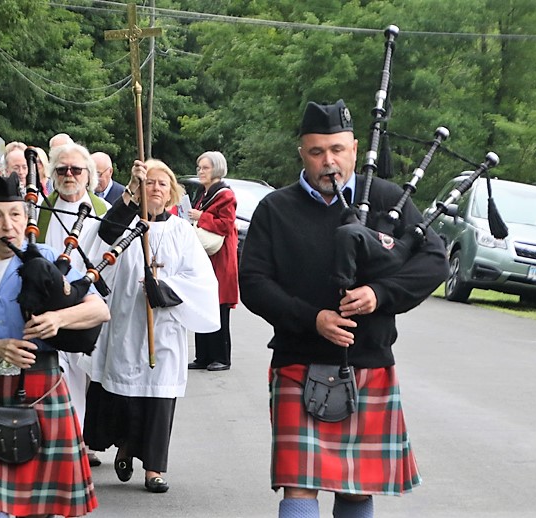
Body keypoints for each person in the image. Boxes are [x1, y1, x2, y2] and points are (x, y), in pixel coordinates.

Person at [238, 100, 447, 518]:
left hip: (367, 360)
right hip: (299, 359)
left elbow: (434, 261)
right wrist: (312, 318)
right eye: (316, 152)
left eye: (336, 149)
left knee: (355, 488)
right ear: (302, 153)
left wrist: (380, 294)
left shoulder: (391, 200)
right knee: (299, 485)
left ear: (354, 149)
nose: (328, 161)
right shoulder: (276, 208)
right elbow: (254, 283)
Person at [0, 172, 109, 518]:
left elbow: (99, 309)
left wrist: (58, 320)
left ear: (25, 217)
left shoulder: (48, 260)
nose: (8, 225)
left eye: (15, 214)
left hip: (42, 388)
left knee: (44, 512)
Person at [83, 159, 220, 494]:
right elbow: (105, 235)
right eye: (149, 183)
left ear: (171, 192)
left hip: (165, 325)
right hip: (129, 321)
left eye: (162, 183)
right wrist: (131, 190)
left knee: (159, 396)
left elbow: (201, 280)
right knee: (127, 392)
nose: (155, 188)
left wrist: (167, 290)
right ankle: (127, 447)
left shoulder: (181, 231)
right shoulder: (128, 225)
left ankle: (155, 468)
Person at [36, 142, 111, 467]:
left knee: (87, 377)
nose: (69, 175)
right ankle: (61, 441)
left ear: (88, 175)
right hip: (47, 308)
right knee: (55, 375)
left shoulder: (104, 212)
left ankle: (81, 438)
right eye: (62, 169)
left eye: (76, 170)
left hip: (90, 306)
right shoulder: (39, 209)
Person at [186, 151, 238, 372]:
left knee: (218, 306)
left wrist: (201, 218)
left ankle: (222, 357)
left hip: (220, 256)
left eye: (204, 168)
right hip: (204, 255)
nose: (200, 171)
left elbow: (226, 224)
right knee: (202, 303)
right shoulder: (202, 192)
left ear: (216, 169)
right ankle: (203, 356)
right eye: (199, 167)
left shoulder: (225, 195)